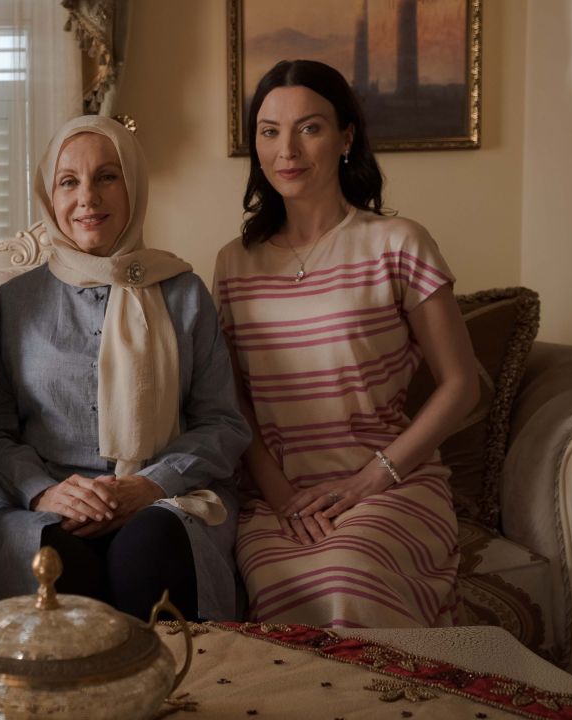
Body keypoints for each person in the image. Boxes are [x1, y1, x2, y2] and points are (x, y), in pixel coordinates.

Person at [214, 60, 478, 627]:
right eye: (269, 131)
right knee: (282, 597)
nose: (287, 150)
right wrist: (281, 496)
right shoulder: (234, 263)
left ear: (346, 137)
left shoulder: (399, 243)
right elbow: (234, 402)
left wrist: (370, 479)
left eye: (309, 128)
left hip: (389, 486)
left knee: (344, 578)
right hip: (279, 499)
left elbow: (462, 386)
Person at [0, 115, 251, 621]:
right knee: (56, 564)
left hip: (166, 498)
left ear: (134, 187)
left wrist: (151, 484)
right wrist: (45, 492)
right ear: (49, 196)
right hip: (49, 504)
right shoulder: (13, 303)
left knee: (148, 550)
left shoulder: (183, 293)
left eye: (106, 176)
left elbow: (222, 423)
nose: (88, 198)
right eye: (68, 182)